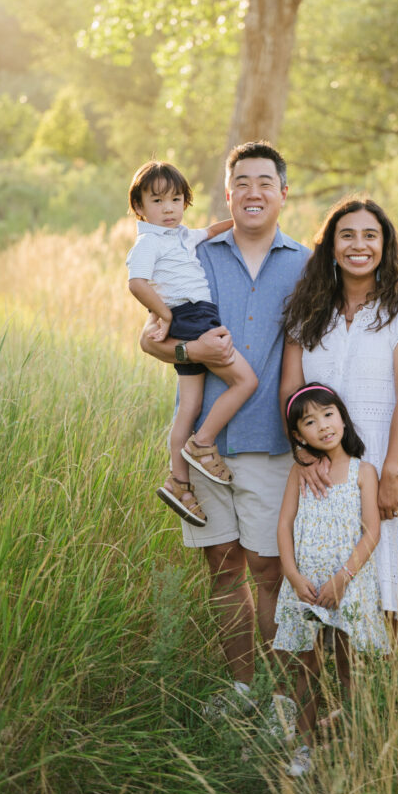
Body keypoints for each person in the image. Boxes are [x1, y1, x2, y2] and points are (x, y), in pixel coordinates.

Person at [138, 142, 309, 719]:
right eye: (242, 182)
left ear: (283, 193)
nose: (254, 191)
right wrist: (187, 347)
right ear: (227, 193)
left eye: (266, 182)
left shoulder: (307, 266)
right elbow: (154, 338)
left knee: (269, 569)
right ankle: (240, 690)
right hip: (206, 445)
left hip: (272, 443)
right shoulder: (196, 251)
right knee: (223, 566)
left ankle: (282, 700)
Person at [281, 197, 398, 629]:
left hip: (384, 459)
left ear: (385, 245)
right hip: (323, 471)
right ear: (330, 246)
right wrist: (302, 455)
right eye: (346, 235)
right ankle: (335, 693)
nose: (359, 245)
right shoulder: (307, 310)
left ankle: (389, 696)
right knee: (326, 589)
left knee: (388, 591)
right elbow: (290, 390)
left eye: (371, 235)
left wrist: (391, 472)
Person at [127, 160, 258, 525]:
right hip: (191, 317)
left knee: (190, 405)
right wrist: (164, 315)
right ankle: (202, 444)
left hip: (191, 318)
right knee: (246, 381)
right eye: (157, 201)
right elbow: (137, 283)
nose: (168, 208)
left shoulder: (182, 235)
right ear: (139, 208)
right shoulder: (148, 241)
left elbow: (211, 230)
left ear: (185, 202)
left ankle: (178, 482)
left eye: (176, 199)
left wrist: (242, 219)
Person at [275, 383, 390, 777]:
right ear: (298, 435)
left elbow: (372, 531)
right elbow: (285, 524)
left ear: (342, 416)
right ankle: (304, 747)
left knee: (348, 667)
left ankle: (357, 745)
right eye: (310, 421)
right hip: (305, 584)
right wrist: (291, 574)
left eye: (328, 414)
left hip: (348, 584)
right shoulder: (300, 472)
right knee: (305, 668)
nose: (323, 426)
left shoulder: (363, 471)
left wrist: (343, 579)